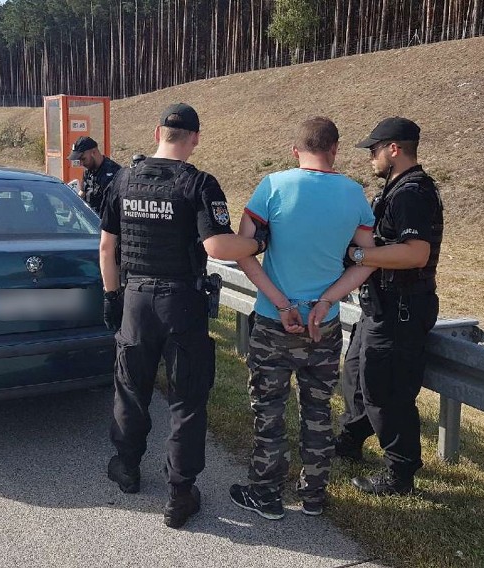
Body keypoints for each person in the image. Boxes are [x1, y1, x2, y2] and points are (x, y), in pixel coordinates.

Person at [99, 103, 268, 529]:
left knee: (131, 388)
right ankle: (179, 493)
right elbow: (218, 247)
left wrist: (111, 296)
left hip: (135, 298)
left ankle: (127, 468)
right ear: (194, 137)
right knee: (187, 399)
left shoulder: (122, 178)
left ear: (158, 132)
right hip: (182, 303)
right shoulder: (200, 184)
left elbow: (106, 248)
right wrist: (259, 243)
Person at [227, 117, 376, 520]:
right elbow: (368, 259)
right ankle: (313, 497)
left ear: (296, 151)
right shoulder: (353, 194)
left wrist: (279, 301)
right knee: (317, 411)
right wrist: (327, 301)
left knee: (269, 410)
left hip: (274, 322)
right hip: (322, 326)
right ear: (335, 149)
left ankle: (268, 496)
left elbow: (244, 249)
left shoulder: (272, 186)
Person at [312, 117, 444, 496]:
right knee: (357, 378)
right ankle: (351, 441)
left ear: (394, 149)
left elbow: (416, 253)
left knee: (387, 392)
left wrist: (358, 254)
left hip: (402, 308)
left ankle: (399, 474)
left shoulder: (412, 194)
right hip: (381, 306)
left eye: (374, 150)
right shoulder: (396, 189)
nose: (370, 157)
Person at [68, 136, 121, 215]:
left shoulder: (114, 172)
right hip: (90, 222)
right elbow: (83, 192)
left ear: (93, 152)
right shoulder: (87, 171)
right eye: (79, 160)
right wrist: (72, 215)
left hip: (105, 223)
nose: (81, 163)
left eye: (83, 159)